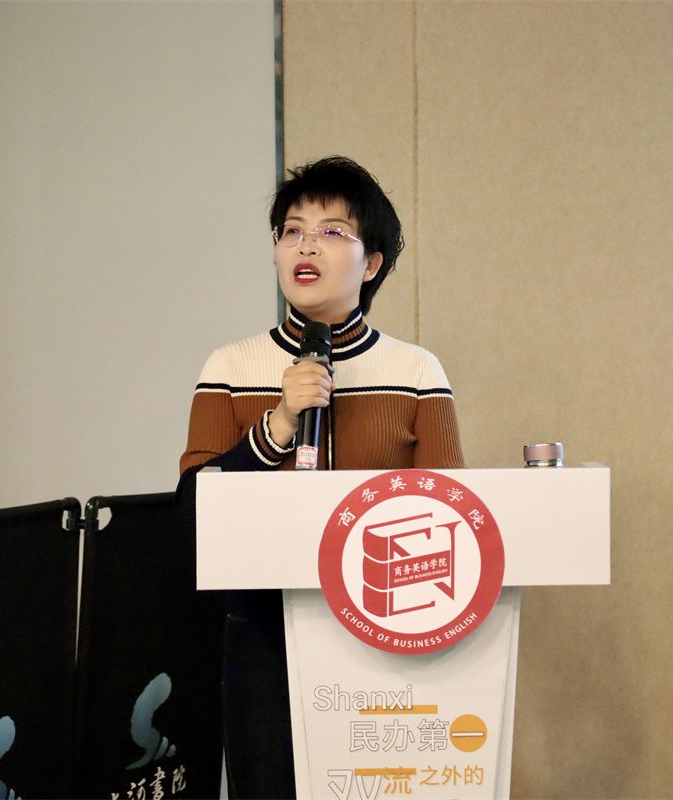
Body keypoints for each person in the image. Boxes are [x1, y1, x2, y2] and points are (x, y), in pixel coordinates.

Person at [177, 156, 464, 796]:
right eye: (292, 231)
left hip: (387, 633)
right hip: (262, 635)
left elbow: (449, 514)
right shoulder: (230, 365)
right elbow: (192, 508)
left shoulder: (415, 371)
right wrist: (279, 423)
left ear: (372, 263)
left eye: (332, 231)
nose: (306, 245)